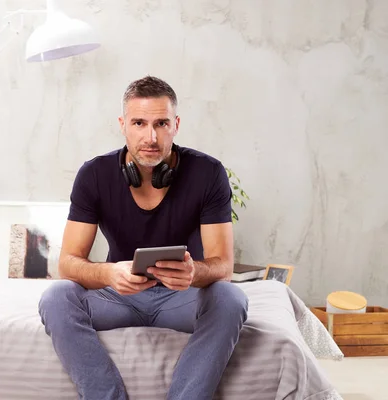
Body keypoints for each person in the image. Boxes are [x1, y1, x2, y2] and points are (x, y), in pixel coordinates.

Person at [38, 76, 249, 400]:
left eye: (161, 123)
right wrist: (109, 273)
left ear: (175, 125)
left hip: (182, 298)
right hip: (117, 296)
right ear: (123, 125)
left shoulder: (208, 173)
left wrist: (195, 273)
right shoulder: (94, 174)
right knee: (56, 296)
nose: (151, 136)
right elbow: (68, 263)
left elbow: (223, 265)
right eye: (139, 122)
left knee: (231, 298)